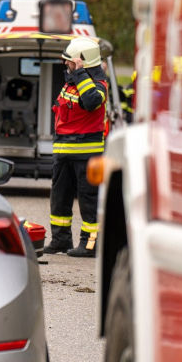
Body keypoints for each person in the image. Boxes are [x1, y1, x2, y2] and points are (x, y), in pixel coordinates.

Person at [45, 37, 108, 257]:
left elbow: (91, 101)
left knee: (89, 202)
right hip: (64, 153)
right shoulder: (71, 82)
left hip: (86, 155)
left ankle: (90, 245)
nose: (66, 65)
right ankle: (61, 240)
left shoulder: (99, 85)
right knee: (59, 199)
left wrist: (80, 73)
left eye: (70, 62)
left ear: (81, 62)